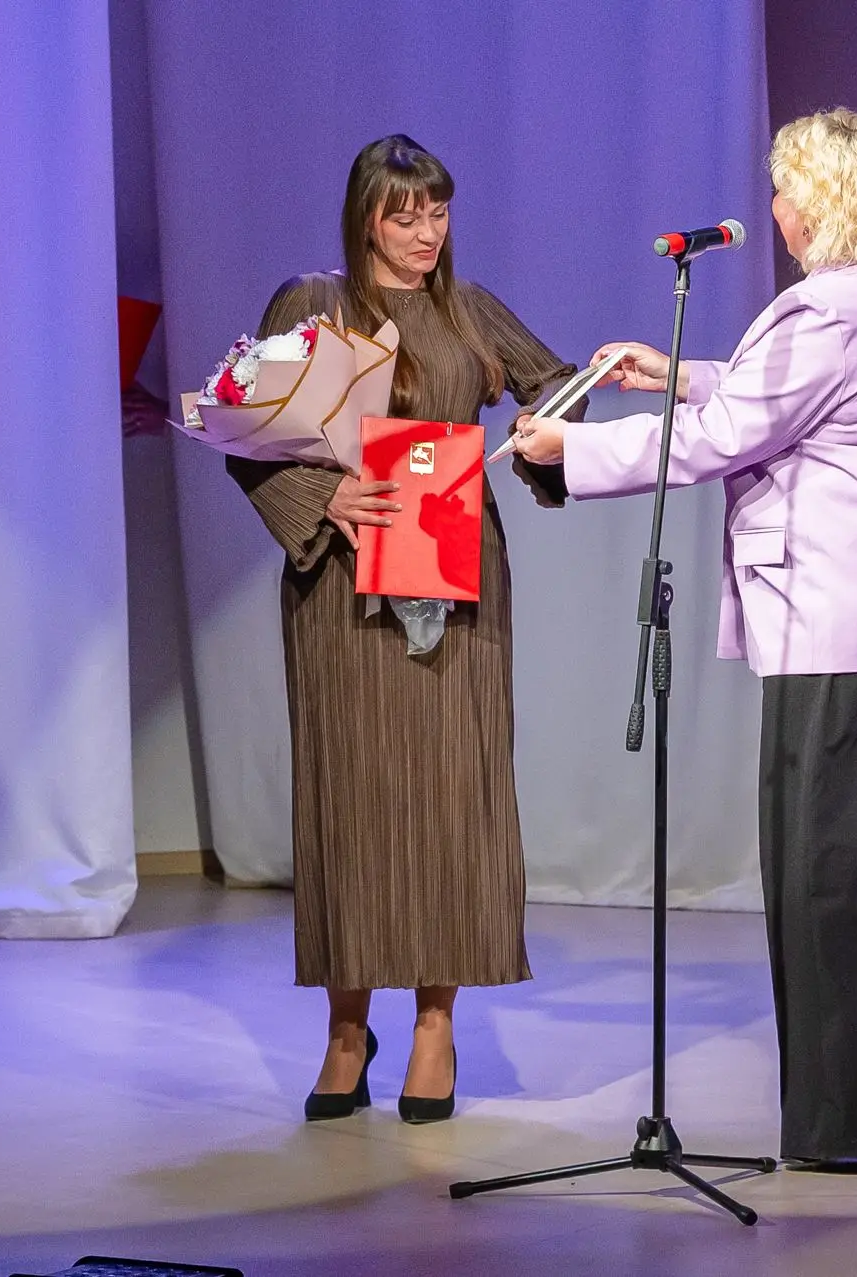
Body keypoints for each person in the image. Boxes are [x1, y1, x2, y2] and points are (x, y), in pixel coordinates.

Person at [515, 108, 857, 1165]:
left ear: (819, 203)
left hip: (848, 629)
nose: (772, 208)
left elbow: (728, 438)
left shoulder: (827, 311)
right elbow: (798, 404)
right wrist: (676, 371)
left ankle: (855, 1125)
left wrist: (571, 449)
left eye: (784, 190)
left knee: (838, 880)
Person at [228, 135, 578, 1125]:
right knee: (355, 801)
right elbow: (244, 431)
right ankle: (347, 1029)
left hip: (456, 577)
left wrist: (556, 424)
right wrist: (323, 495)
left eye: (439, 212)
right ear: (366, 219)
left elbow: (555, 391)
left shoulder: (469, 311)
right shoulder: (315, 305)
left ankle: (435, 1024)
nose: (427, 233)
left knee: (450, 799)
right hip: (345, 589)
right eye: (404, 215)